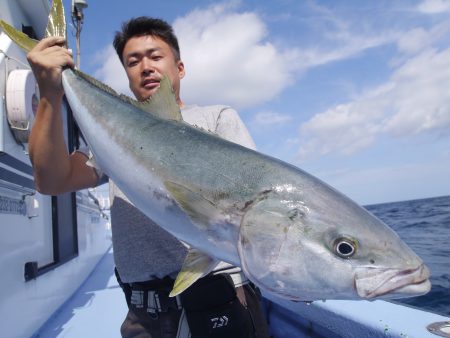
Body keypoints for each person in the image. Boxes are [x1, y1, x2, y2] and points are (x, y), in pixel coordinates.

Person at [27, 16, 270, 338]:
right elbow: (52, 181)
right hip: (144, 313)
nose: (146, 67)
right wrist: (49, 94)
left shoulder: (218, 118)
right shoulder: (110, 134)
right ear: (127, 76)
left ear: (179, 68)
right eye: (133, 61)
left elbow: (257, 197)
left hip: (222, 297)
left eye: (156, 56)